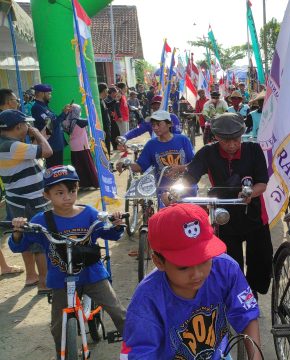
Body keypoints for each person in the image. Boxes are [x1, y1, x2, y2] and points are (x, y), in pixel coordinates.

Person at [8, 165, 127, 356]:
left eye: (72, 191)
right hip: (61, 281)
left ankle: (137, 348)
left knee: (118, 312)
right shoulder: (41, 220)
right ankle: (62, 354)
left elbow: (109, 234)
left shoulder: (89, 214)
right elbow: (19, 246)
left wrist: (116, 225)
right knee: (57, 326)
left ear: (78, 188)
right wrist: (18, 231)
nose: (67, 197)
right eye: (59, 193)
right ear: (46, 194)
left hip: (92, 275)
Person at [120, 203, 261, 359]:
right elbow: (140, 352)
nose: (197, 274)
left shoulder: (226, 269)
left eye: (204, 260)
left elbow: (246, 314)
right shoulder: (147, 300)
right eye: (183, 267)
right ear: (158, 262)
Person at [177, 113, 273, 296]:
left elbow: (262, 183)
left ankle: (252, 294)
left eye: (235, 140)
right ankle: (236, 297)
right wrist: (175, 191)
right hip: (223, 216)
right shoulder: (207, 153)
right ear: (217, 138)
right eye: (225, 140)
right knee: (230, 263)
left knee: (260, 261)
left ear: (242, 135)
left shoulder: (253, 150)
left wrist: (250, 193)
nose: (231, 145)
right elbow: (190, 177)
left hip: (253, 213)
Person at [0, 109, 52, 290]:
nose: (28, 127)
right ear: (19, 126)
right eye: (26, 125)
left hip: (16, 198)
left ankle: (31, 276)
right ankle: (44, 283)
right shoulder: (12, 147)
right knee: (39, 240)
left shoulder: (7, 144)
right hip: (31, 199)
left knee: (22, 236)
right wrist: (37, 132)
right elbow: (47, 151)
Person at [116, 110, 194, 205]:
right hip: (164, 190)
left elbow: (194, 163)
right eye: (153, 125)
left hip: (186, 187)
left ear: (169, 124)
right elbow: (140, 166)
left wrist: (181, 168)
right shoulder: (151, 144)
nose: (155, 128)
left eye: (158, 124)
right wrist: (125, 163)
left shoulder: (183, 140)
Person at [30, 84, 69, 168]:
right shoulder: (37, 107)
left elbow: (53, 122)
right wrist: (63, 114)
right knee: (54, 172)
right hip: (51, 146)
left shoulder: (44, 106)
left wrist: (64, 113)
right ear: (41, 93)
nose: (50, 96)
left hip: (56, 144)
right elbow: (50, 126)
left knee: (58, 171)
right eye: (49, 94)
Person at [62, 104, 99, 189]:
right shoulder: (79, 121)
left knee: (78, 167)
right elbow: (91, 120)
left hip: (74, 146)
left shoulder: (67, 121)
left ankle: (82, 184)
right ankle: (94, 183)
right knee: (88, 165)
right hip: (82, 146)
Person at [98, 83, 112, 157]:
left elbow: (108, 105)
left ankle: (108, 161)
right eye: (106, 91)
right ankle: (107, 163)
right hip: (104, 128)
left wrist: (115, 100)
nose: (107, 93)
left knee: (108, 146)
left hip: (107, 127)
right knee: (105, 146)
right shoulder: (98, 102)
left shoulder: (102, 100)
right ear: (103, 91)